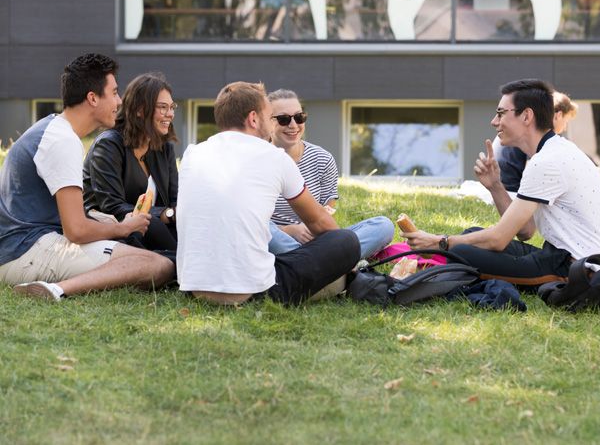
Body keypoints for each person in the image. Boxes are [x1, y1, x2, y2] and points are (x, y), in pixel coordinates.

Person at [403, 79, 600, 285]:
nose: (494, 121)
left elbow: (498, 239)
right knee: (471, 235)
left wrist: (439, 241)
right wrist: (495, 186)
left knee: (459, 251)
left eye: (501, 113)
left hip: (574, 270)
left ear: (526, 116)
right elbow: (526, 231)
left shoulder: (547, 162)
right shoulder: (552, 152)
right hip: (562, 257)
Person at [0, 53, 174, 300]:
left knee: (147, 255)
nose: (119, 100)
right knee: (158, 266)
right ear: (92, 98)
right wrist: (123, 228)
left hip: (19, 248)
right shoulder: (63, 141)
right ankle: (57, 289)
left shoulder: (53, 129)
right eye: (113, 93)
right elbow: (76, 230)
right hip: (26, 254)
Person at [176, 81, 360, 305]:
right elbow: (320, 223)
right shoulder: (275, 157)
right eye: (271, 116)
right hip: (254, 291)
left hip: (194, 287)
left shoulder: (192, 154)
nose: (273, 123)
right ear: (254, 119)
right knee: (346, 240)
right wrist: (346, 260)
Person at [266, 89, 394, 260]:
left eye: (299, 117)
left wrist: (315, 228)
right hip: (280, 241)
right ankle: (329, 263)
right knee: (261, 229)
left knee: (383, 226)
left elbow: (326, 214)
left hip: (316, 240)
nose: (293, 125)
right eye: (283, 119)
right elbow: (250, 217)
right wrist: (290, 230)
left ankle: (308, 264)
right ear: (267, 121)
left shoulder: (322, 159)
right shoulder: (257, 159)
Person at [83, 73, 178, 251]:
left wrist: (177, 214)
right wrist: (167, 214)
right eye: (163, 107)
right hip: (114, 228)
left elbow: (175, 199)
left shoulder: (165, 148)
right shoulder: (109, 144)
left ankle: (178, 264)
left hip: (153, 229)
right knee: (152, 224)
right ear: (140, 110)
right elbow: (112, 206)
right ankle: (181, 268)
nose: (170, 114)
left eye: (172, 107)